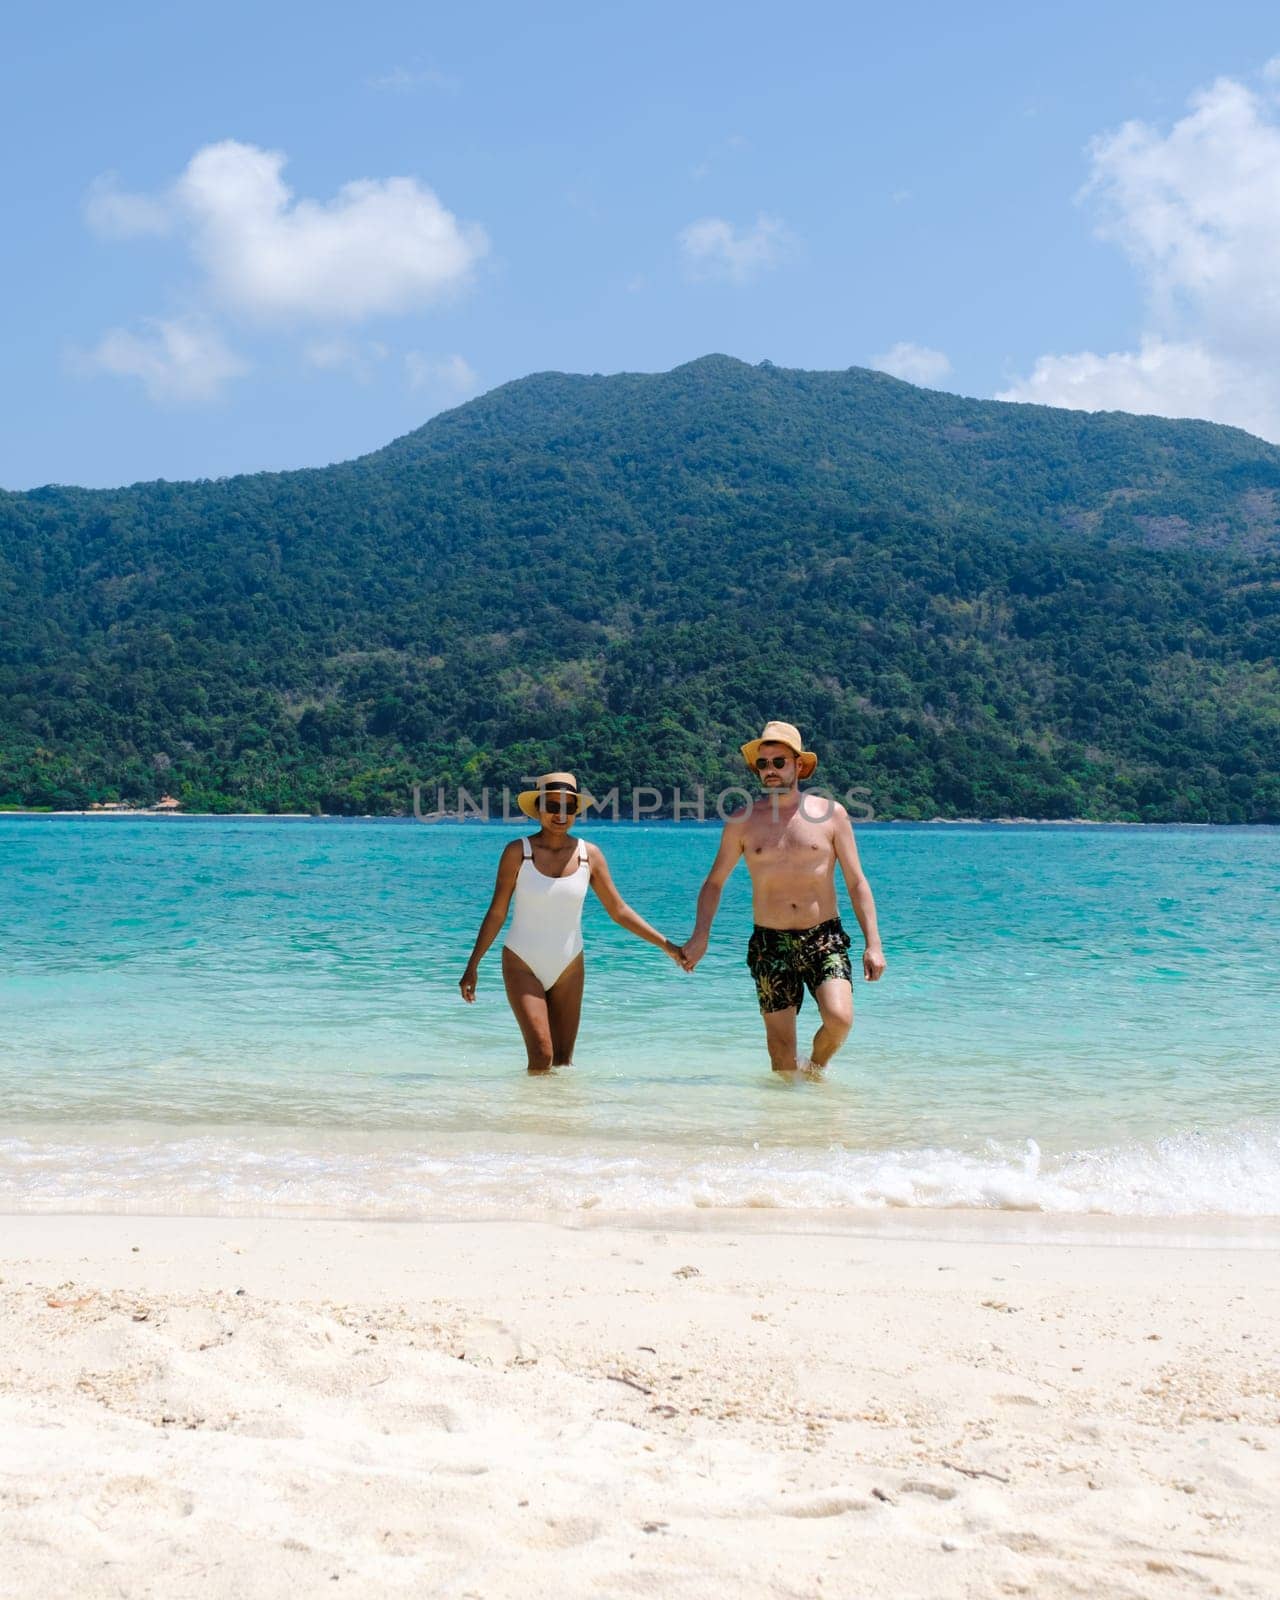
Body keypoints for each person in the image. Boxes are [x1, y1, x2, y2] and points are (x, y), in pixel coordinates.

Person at [682, 722, 886, 1073]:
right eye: (763, 764)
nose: (770, 770)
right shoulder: (742, 821)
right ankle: (786, 1125)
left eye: (779, 762)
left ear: (798, 766)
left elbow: (857, 882)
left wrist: (874, 943)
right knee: (781, 1056)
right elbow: (715, 882)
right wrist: (701, 935)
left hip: (824, 937)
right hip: (769, 943)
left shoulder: (831, 815)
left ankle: (816, 1068)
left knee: (840, 1019)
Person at [459, 772, 689, 1071]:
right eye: (553, 806)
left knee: (563, 1063)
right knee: (542, 1055)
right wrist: (473, 964)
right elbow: (497, 912)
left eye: (569, 808)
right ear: (539, 808)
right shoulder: (518, 852)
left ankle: (557, 1118)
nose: (560, 815)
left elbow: (618, 910)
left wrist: (668, 947)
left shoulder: (588, 855)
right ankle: (529, 1117)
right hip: (521, 961)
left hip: (569, 966)